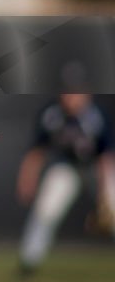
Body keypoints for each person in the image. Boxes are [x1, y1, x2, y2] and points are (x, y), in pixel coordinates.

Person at [16, 93, 115, 276]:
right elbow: (37, 152)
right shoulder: (52, 114)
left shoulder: (96, 115)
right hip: (67, 167)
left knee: (113, 210)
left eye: (76, 93)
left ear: (87, 95)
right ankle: (29, 262)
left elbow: (105, 157)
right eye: (67, 93)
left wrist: (105, 193)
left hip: (95, 167)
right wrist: (27, 180)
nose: (71, 98)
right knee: (45, 210)